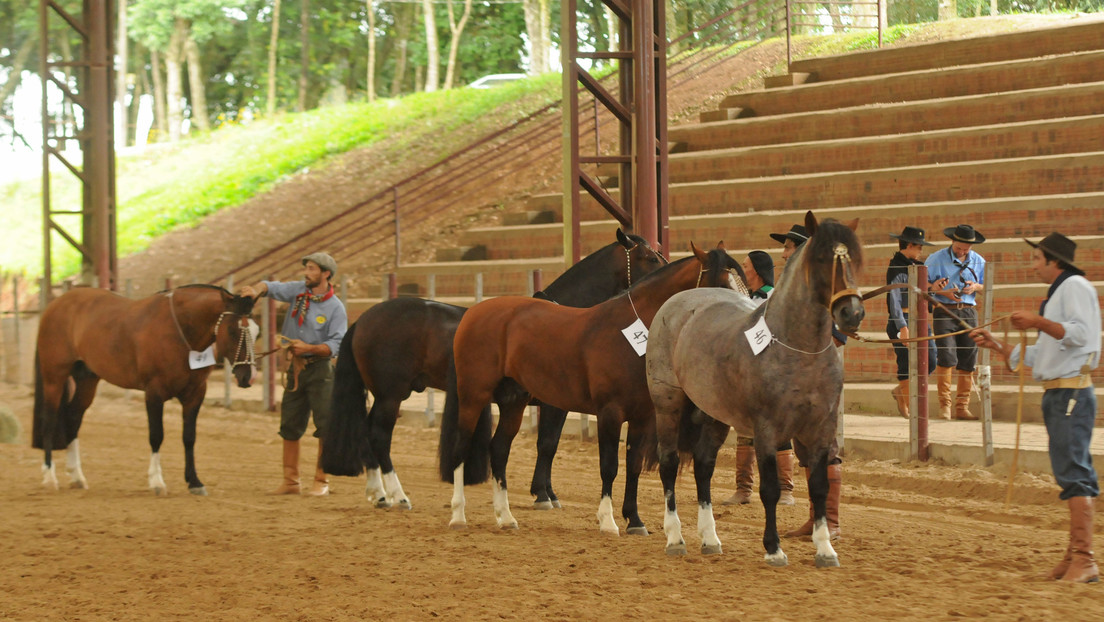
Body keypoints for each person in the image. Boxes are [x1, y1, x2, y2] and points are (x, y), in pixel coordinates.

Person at [969, 233, 1099, 583]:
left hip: (1070, 393)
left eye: (1038, 259)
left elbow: (1081, 336)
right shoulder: (1064, 291)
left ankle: (1085, 560)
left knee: (1073, 471)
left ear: (1054, 261)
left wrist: (1037, 322)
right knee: (1069, 471)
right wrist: (999, 346)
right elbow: (1046, 354)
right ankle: (1075, 557)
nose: (1034, 264)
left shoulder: (1074, 287)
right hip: (1061, 393)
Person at [241, 253, 348, 496]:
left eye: (311, 269)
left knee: (325, 425)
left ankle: (322, 481)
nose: (306, 272)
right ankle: (291, 481)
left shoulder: (335, 308)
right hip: (296, 369)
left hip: (321, 370)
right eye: (307, 268)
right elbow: (272, 287)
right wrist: (255, 290)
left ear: (326, 274)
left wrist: (309, 348)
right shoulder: (299, 291)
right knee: (289, 423)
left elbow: (337, 343)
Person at [762, 223, 843, 540]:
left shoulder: (817, 284)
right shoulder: (790, 286)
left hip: (817, 375)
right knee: (805, 447)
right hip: (792, 374)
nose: (784, 253)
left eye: (789, 247)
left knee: (824, 446)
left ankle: (830, 522)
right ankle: (816, 518)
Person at [722, 250, 795, 506]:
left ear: (757, 271)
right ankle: (743, 489)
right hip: (748, 370)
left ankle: (785, 489)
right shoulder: (745, 299)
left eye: (745, 266)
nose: (743, 271)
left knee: (779, 428)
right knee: (744, 427)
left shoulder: (774, 297)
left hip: (773, 369)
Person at [925, 224, 986, 420]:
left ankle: (962, 406)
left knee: (969, 358)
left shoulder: (979, 261)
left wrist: (975, 286)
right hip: (944, 310)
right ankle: (945, 405)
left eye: (965, 249)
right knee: (947, 356)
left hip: (968, 311)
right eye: (958, 248)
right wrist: (937, 289)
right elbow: (921, 284)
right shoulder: (935, 259)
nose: (961, 252)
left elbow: (986, 285)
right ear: (952, 241)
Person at [886, 226, 937, 418]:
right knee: (906, 361)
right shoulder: (896, 268)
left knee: (930, 359)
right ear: (909, 245)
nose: (921, 251)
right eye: (919, 247)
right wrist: (902, 326)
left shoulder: (916, 266)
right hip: (903, 320)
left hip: (920, 319)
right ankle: (910, 403)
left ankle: (901, 391)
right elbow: (894, 299)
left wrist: (933, 289)